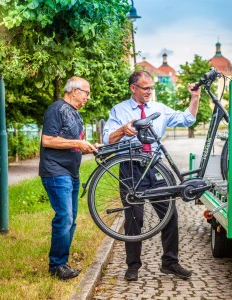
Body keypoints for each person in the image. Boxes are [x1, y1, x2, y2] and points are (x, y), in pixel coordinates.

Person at [103, 70, 201, 281]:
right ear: (133, 88)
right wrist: (122, 130)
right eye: (145, 88)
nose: (149, 92)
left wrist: (195, 98)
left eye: (151, 88)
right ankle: (133, 266)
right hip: (130, 168)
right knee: (133, 219)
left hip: (154, 167)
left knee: (169, 214)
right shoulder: (119, 110)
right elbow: (107, 138)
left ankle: (170, 263)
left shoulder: (159, 109)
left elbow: (187, 119)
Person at [39, 76, 97, 280]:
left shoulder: (75, 114)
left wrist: (87, 147)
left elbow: (72, 144)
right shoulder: (57, 109)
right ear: (74, 91)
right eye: (86, 93)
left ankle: (61, 262)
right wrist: (78, 143)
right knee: (64, 218)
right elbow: (47, 140)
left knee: (71, 220)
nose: (88, 98)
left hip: (71, 173)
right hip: (56, 172)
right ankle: (56, 266)